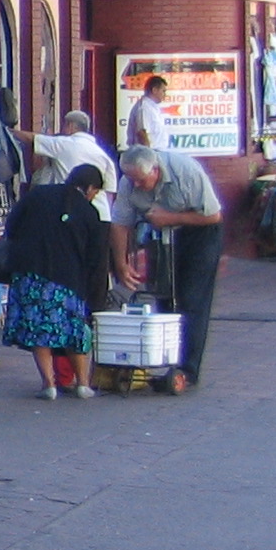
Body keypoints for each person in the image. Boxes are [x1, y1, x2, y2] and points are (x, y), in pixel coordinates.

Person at [109, 145, 224, 391]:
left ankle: (188, 368)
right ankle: (164, 357)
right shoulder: (129, 183)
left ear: (156, 170)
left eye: (141, 180)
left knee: (192, 299)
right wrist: (121, 263)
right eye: (131, 180)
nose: (136, 185)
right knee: (163, 293)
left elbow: (213, 216)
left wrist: (170, 218)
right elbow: (120, 223)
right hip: (161, 233)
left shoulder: (187, 172)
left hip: (198, 231)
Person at [0, 166, 111, 400]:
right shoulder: (88, 211)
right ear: (89, 188)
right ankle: (82, 384)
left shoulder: (37, 195)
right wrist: (95, 295)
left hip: (30, 274)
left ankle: (48, 384)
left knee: (40, 331)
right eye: (95, 192)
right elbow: (96, 257)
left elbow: (11, 227)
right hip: (68, 281)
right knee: (73, 331)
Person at [17, 109, 118, 190]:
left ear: (70, 126)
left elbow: (32, 138)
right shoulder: (104, 156)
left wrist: (8, 131)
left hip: (70, 206)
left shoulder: (64, 144)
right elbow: (110, 192)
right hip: (98, 211)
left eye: (64, 125)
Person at [126, 75, 172, 149]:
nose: (165, 95)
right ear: (154, 90)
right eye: (163, 91)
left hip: (157, 152)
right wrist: (149, 154)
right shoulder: (144, 107)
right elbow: (142, 133)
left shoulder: (152, 107)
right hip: (147, 155)